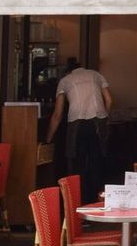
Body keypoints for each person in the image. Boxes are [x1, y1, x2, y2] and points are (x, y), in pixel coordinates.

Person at [47, 59, 113, 202]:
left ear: (68, 71)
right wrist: (104, 117)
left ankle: (78, 205)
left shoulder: (65, 81)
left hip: (77, 125)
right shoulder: (96, 75)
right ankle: (98, 204)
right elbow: (109, 100)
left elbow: (57, 114)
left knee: (77, 166)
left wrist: (48, 138)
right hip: (98, 122)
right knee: (97, 163)